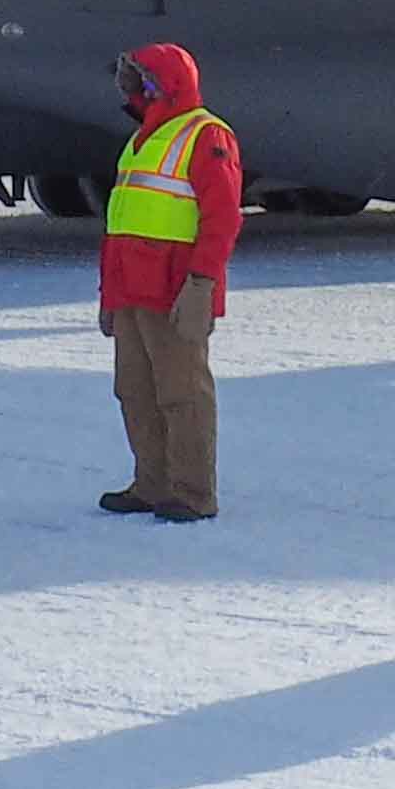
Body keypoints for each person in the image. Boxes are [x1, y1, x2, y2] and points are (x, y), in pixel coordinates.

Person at [97, 40, 240, 524]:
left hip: (175, 291)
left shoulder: (206, 135)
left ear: (166, 83)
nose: (137, 87)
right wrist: (108, 296)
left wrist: (202, 285)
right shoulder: (140, 141)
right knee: (134, 390)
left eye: (144, 78)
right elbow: (121, 223)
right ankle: (151, 484)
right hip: (132, 290)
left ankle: (194, 493)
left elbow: (221, 219)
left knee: (182, 393)